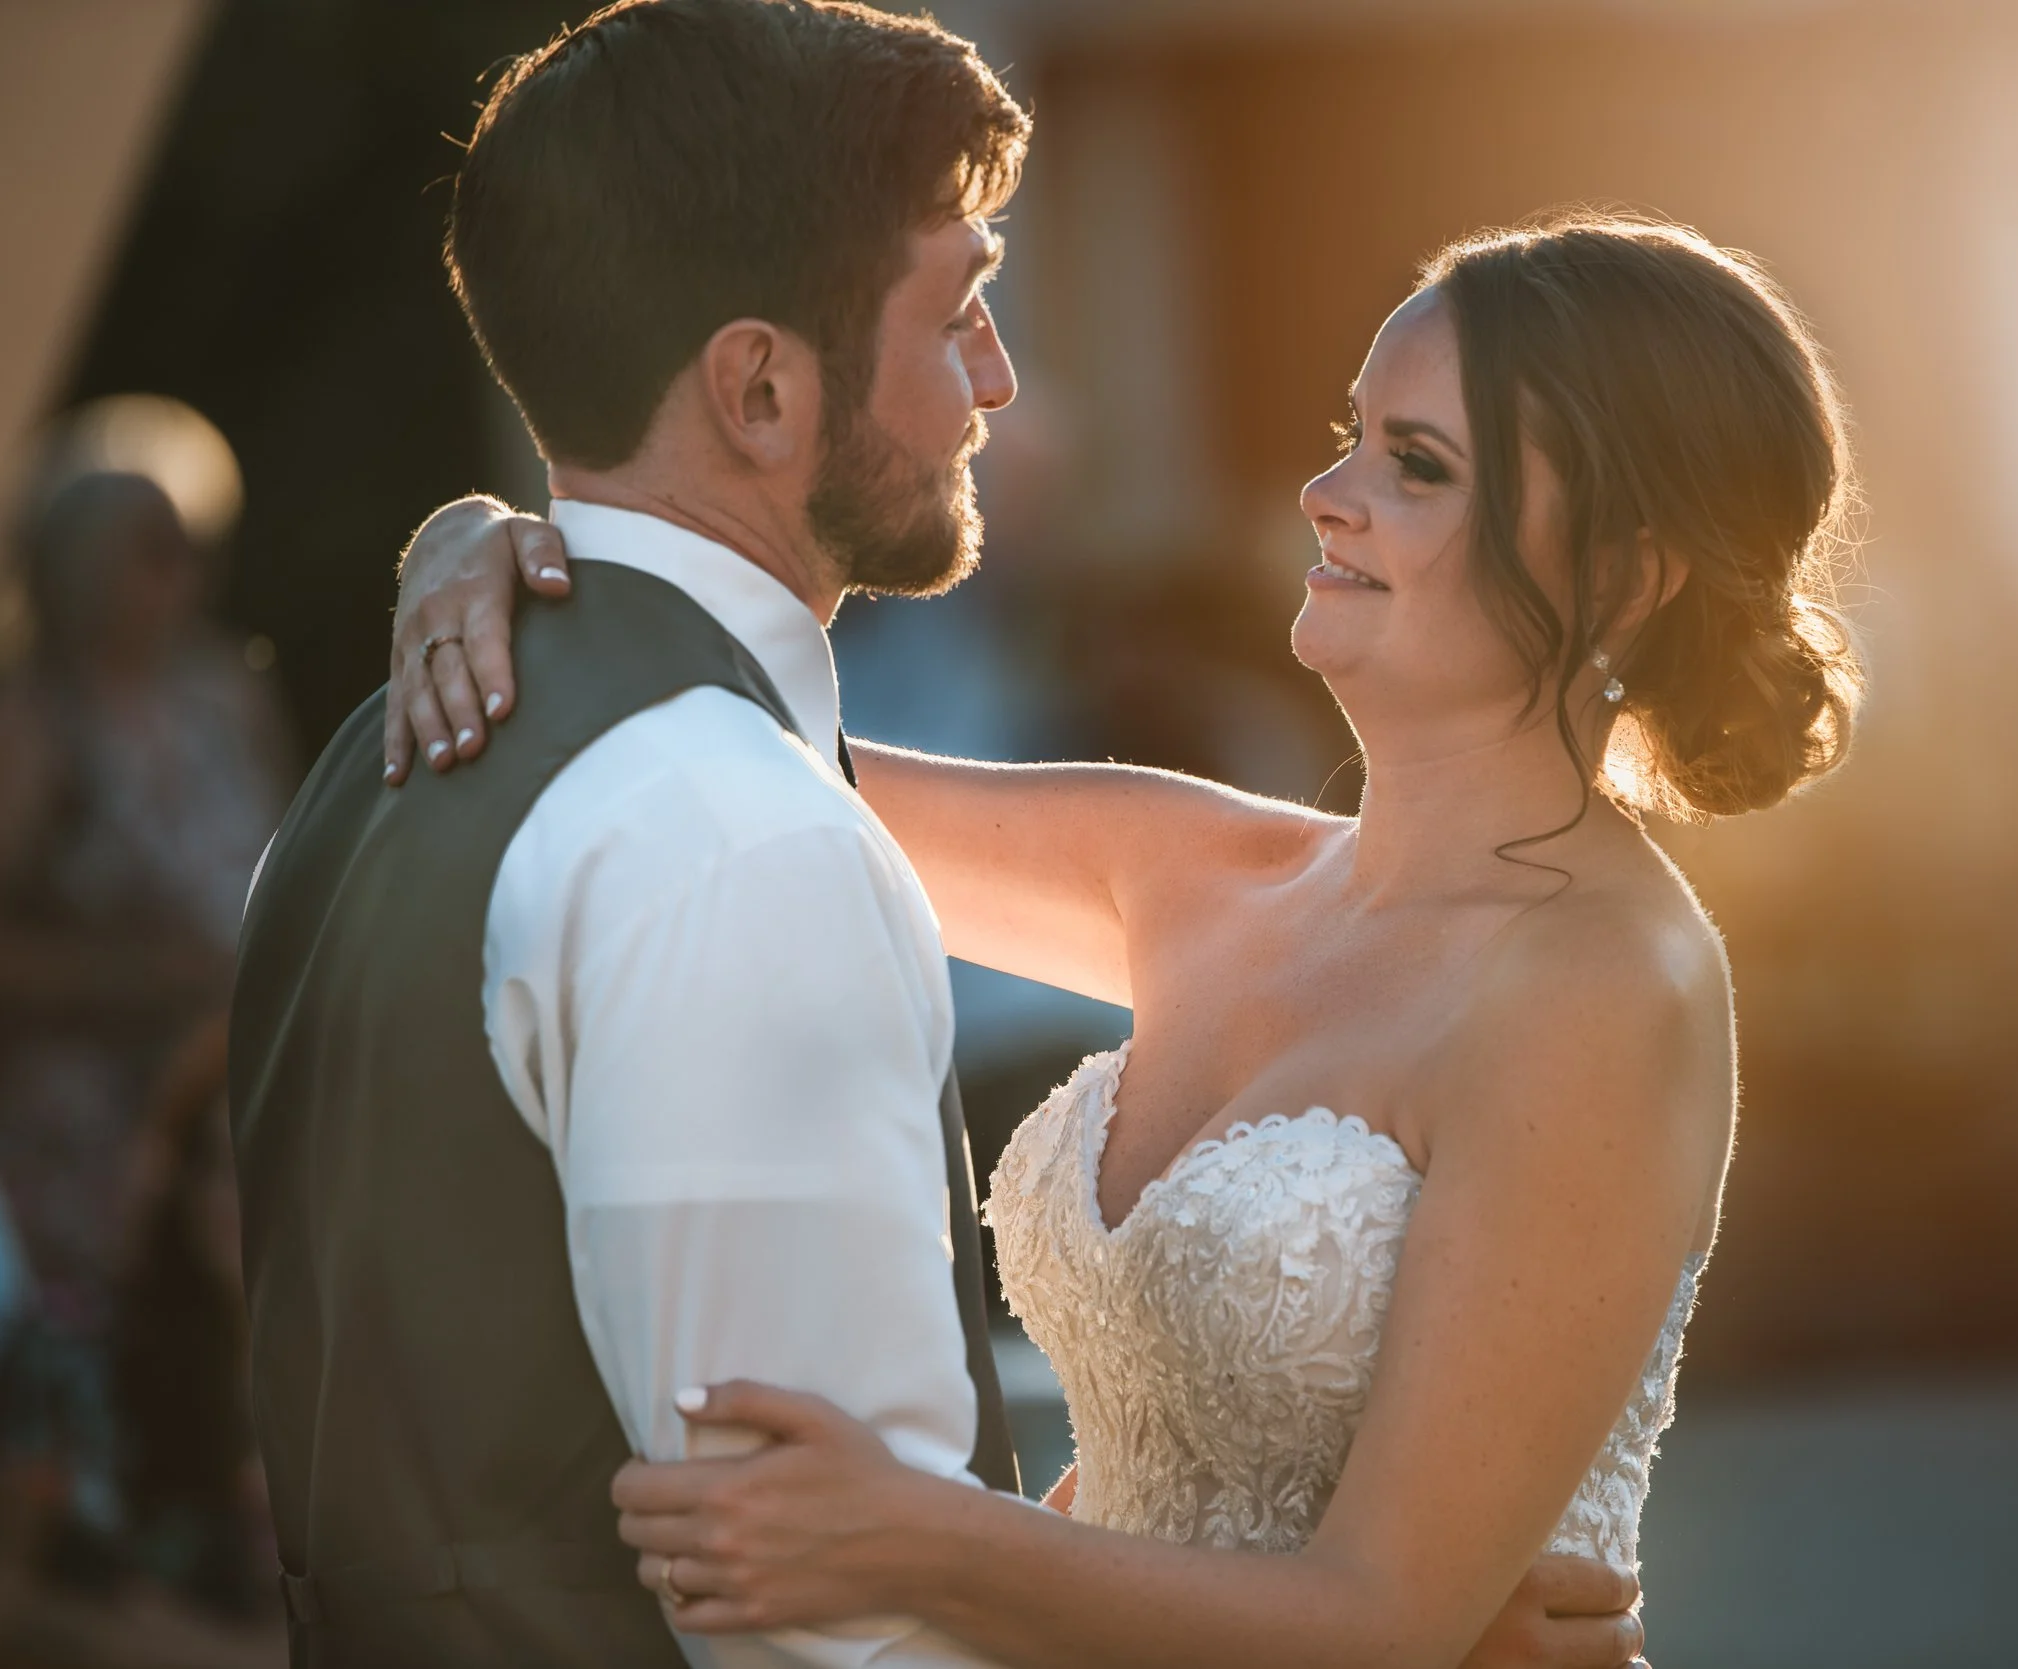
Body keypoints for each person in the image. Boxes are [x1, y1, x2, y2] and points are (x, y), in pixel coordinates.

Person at [235, 2, 1646, 1665]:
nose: (998, 380)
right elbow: (853, 1635)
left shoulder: (373, 773)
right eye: (962, 312)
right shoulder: (739, 839)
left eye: (1415, 468)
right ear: (760, 386)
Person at [0, 469, 290, 1341]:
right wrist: (126, 974)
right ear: (78, 562)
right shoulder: (28, 723)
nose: (182, 569)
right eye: (152, 547)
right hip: (66, 1147)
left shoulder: (223, 696)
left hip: (208, 1125)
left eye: (188, 543)